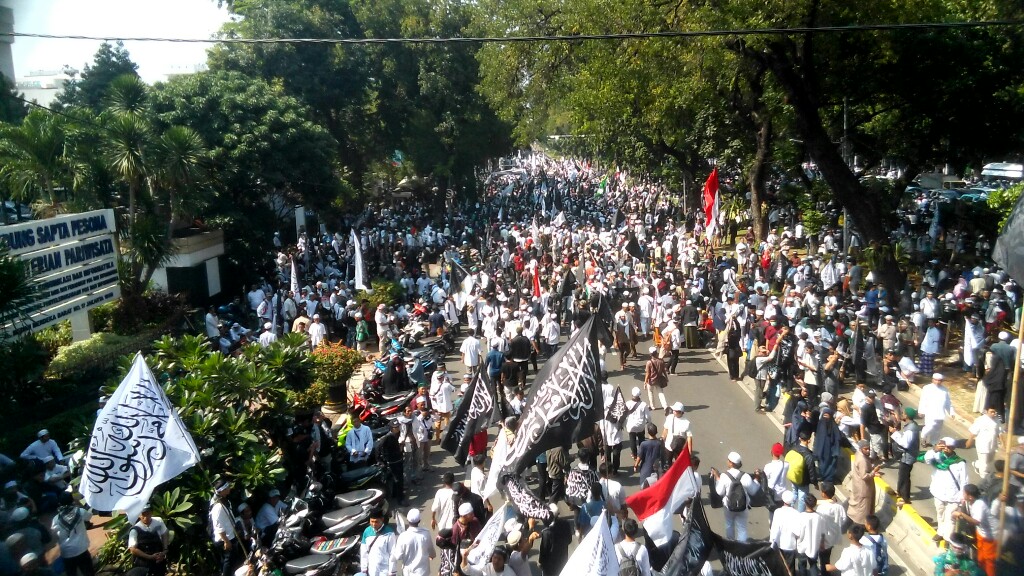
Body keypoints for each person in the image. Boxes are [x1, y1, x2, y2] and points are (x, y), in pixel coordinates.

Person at [921, 437, 969, 542]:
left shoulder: (960, 463)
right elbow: (926, 459)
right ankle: (940, 532)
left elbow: (964, 481)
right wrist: (934, 450)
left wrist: (962, 498)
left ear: (953, 448)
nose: (946, 449)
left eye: (949, 447)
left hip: (953, 496)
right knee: (940, 513)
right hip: (938, 492)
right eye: (944, 447)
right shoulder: (937, 457)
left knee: (950, 518)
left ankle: (948, 539)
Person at [710, 451, 760, 542]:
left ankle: (731, 544)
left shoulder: (724, 476)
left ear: (731, 463)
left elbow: (719, 492)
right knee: (742, 528)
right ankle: (742, 547)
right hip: (743, 506)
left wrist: (717, 478)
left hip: (728, 506)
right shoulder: (745, 476)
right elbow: (753, 491)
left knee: (729, 524)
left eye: (728, 460)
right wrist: (756, 479)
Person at [954, 484, 996, 576]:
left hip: (990, 537)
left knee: (989, 562)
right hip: (980, 533)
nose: (963, 495)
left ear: (970, 496)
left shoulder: (979, 505)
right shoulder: (969, 502)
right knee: (980, 559)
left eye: (964, 493)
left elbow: (976, 522)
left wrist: (961, 514)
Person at [51, 503, 95, 576]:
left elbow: (54, 534)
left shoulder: (56, 519)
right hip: (82, 549)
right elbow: (89, 516)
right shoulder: (80, 512)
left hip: (67, 553)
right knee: (88, 572)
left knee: (71, 573)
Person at [209, 480, 241, 576]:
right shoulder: (218, 506)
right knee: (228, 561)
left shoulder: (225, 501)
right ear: (222, 490)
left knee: (230, 561)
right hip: (224, 539)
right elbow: (218, 526)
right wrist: (226, 541)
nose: (229, 489)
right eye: (227, 488)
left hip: (230, 535)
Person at [889, 407, 920, 505]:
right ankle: (899, 491)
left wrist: (895, 433)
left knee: (905, 476)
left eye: (903, 413)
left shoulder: (911, 429)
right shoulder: (911, 425)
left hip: (908, 456)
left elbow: (905, 444)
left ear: (906, 416)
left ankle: (905, 497)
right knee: (901, 474)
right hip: (906, 456)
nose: (901, 414)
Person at [391, 508, 435, 576]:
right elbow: (431, 549)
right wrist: (432, 555)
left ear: (407, 520)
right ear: (419, 521)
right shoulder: (426, 533)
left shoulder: (403, 536)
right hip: (423, 572)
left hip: (408, 572)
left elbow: (398, 556)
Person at [848, 439, 882, 527]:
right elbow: (864, 476)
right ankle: (862, 525)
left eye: (869, 449)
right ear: (861, 448)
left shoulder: (859, 454)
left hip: (858, 485)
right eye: (866, 449)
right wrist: (874, 472)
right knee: (863, 508)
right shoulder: (862, 460)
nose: (868, 451)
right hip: (864, 488)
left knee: (859, 506)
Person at [129, 504, 169, 576]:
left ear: (151, 513)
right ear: (139, 515)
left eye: (148, 514)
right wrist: (149, 557)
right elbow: (132, 549)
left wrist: (164, 551)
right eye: (143, 515)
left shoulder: (159, 521)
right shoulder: (135, 529)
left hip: (158, 560)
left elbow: (165, 533)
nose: (146, 517)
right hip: (143, 563)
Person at [793, 494, 825, 576]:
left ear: (805, 503)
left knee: (802, 565)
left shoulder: (801, 516)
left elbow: (797, 532)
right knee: (813, 564)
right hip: (814, 546)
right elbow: (822, 532)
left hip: (802, 546)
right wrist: (822, 543)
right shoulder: (819, 517)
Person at [918, 373, 954, 447]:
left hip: (940, 413)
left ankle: (933, 442)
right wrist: (921, 411)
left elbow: (948, 402)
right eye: (936, 380)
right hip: (930, 413)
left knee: (937, 430)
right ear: (932, 380)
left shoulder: (945, 390)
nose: (937, 382)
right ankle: (923, 437)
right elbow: (923, 400)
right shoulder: (927, 388)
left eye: (939, 380)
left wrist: (951, 412)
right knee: (929, 427)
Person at [360, 508, 397, 576]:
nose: (373, 524)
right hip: (371, 570)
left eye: (376, 522)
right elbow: (364, 552)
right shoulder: (367, 532)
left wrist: (392, 571)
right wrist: (364, 568)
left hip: (385, 570)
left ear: (382, 519)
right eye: (372, 521)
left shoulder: (389, 533)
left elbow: (393, 553)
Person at [967, 407, 1000, 479]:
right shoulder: (981, 420)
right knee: (984, 466)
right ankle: (984, 480)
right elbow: (973, 432)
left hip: (993, 445)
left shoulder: (997, 420)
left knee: (989, 461)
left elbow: (998, 432)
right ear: (986, 411)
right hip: (983, 446)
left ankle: (976, 464)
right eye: (992, 411)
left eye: (995, 412)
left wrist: (1002, 442)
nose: (994, 413)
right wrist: (969, 442)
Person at [769, 491, 799, 570]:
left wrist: (772, 543)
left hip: (779, 544)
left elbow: (774, 529)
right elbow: (798, 532)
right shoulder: (796, 513)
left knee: (780, 567)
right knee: (790, 568)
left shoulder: (778, 512)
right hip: (791, 545)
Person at [624, 387, 651, 461]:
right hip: (640, 426)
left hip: (631, 425)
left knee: (632, 440)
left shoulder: (628, 403)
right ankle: (641, 453)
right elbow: (647, 416)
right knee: (641, 440)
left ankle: (634, 454)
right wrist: (649, 422)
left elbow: (625, 414)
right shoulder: (644, 404)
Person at [643, 347, 669, 411]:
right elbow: (664, 370)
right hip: (659, 380)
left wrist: (645, 382)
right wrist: (666, 377)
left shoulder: (649, 363)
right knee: (661, 393)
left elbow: (648, 373)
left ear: (650, 354)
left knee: (650, 392)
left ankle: (653, 406)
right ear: (656, 353)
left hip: (651, 381)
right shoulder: (661, 361)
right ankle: (665, 406)